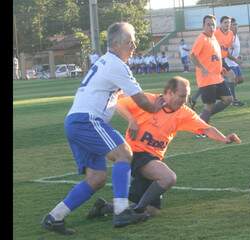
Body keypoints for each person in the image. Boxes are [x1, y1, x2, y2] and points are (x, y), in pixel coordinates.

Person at [41, 22, 166, 235]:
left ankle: (54, 217)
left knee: (96, 178)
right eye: (130, 42)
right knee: (124, 153)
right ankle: (121, 211)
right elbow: (141, 100)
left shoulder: (105, 62)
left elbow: (121, 96)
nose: (134, 46)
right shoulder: (117, 64)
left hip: (75, 122)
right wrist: (157, 106)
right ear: (117, 44)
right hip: (87, 121)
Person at [86, 76, 241, 218]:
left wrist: (224, 139)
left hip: (153, 158)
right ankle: (135, 212)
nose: (184, 99)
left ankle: (104, 207)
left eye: (186, 96)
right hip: (135, 153)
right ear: (168, 92)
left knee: (152, 211)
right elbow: (118, 103)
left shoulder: (183, 113)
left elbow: (206, 128)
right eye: (181, 95)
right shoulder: (147, 100)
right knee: (168, 177)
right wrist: (132, 120)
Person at [189, 15, 233, 138]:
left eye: (213, 24)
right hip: (207, 80)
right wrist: (202, 68)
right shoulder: (201, 38)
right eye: (208, 24)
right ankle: (199, 130)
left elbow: (215, 57)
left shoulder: (213, 38)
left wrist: (222, 69)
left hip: (217, 78)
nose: (211, 27)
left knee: (228, 99)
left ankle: (202, 117)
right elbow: (192, 55)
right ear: (203, 26)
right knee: (209, 106)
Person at [224, 18, 245, 107]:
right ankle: (233, 100)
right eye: (233, 25)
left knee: (240, 79)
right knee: (232, 79)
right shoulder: (229, 37)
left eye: (236, 24)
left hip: (234, 62)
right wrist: (235, 59)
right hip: (229, 63)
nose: (236, 26)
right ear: (229, 27)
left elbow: (235, 49)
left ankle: (226, 91)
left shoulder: (236, 36)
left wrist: (238, 57)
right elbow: (226, 52)